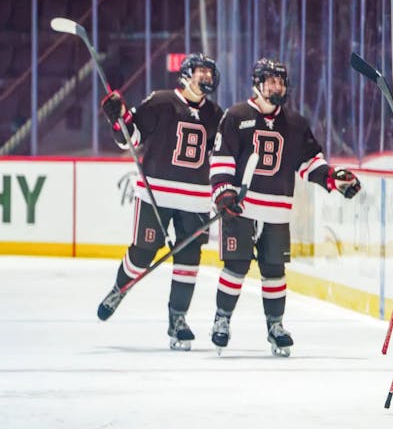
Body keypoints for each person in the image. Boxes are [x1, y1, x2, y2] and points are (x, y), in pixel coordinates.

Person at [209, 58, 361, 356]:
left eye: (280, 81)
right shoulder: (236, 115)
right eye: (270, 81)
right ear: (257, 83)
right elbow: (222, 158)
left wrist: (334, 178)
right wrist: (223, 192)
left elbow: (309, 163)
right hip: (242, 209)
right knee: (235, 267)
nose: (276, 86)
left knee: (274, 270)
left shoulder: (295, 123)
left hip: (277, 210)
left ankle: (275, 326)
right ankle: (221, 320)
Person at [95, 54, 224, 350]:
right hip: (157, 192)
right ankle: (119, 288)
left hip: (195, 199)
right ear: (186, 75)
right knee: (143, 253)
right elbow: (129, 137)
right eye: (201, 72)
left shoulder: (217, 115)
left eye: (209, 73)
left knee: (189, 259)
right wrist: (118, 118)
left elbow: (223, 156)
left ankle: (177, 320)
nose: (206, 78)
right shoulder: (161, 101)